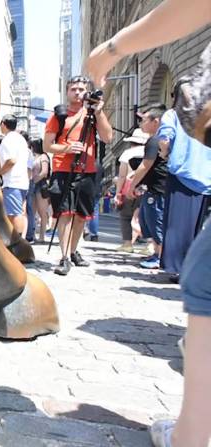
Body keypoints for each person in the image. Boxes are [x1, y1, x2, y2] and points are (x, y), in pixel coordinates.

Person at [86, 2, 211, 445]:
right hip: (190, 185)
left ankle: (193, 434)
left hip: (181, 186)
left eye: (145, 118)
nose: (144, 122)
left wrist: (110, 50)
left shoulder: (165, 131)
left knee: (201, 278)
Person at [43, 76, 114, 276]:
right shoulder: (59, 115)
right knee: (64, 214)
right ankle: (64, 257)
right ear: (67, 92)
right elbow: (47, 146)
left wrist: (98, 112)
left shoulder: (93, 115)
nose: (77, 92)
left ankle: (74, 251)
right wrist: (66, 148)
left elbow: (108, 137)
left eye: (81, 89)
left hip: (88, 170)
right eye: (73, 89)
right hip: (63, 169)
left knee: (82, 216)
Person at [156, 88, 211, 282]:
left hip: (183, 173)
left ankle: (181, 268)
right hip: (206, 176)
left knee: (179, 227)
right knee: (199, 229)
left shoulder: (173, 114)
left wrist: (165, 152)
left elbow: (164, 138)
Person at [127, 104, 169, 268]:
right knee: (148, 220)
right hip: (157, 188)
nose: (141, 124)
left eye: (144, 120)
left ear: (155, 121)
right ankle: (157, 253)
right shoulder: (159, 139)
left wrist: (132, 186)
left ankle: (160, 256)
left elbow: (146, 165)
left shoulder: (154, 140)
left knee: (156, 221)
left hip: (158, 190)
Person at [113, 128, 147, 253]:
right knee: (146, 216)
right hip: (145, 187)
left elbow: (122, 175)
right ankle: (150, 245)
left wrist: (118, 192)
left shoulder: (127, 153)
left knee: (126, 216)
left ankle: (127, 244)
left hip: (129, 186)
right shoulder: (150, 152)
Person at [0, 114, 31, 238]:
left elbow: (11, 160)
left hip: (12, 182)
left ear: (3, 124)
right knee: (18, 212)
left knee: (14, 214)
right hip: (21, 181)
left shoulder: (8, 139)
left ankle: (17, 242)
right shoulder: (20, 138)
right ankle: (16, 240)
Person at [29, 138, 51, 243]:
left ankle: (42, 236)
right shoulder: (34, 157)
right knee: (32, 212)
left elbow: (44, 172)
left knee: (42, 213)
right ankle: (32, 235)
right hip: (33, 186)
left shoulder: (43, 157)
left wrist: (34, 180)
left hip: (40, 186)